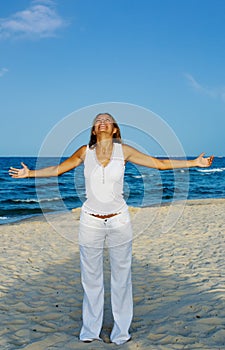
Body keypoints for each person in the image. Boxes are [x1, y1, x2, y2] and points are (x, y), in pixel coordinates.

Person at [9, 113, 214, 345]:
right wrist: (30, 173)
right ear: (94, 130)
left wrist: (194, 163)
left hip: (119, 220)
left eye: (107, 119)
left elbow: (160, 164)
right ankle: (89, 332)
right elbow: (58, 170)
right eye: (98, 120)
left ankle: (121, 333)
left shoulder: (124, 151)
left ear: (115, 129)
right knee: (91, 278)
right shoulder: (84, 151)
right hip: (90, 220)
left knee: (121, 278)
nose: (102, 122)